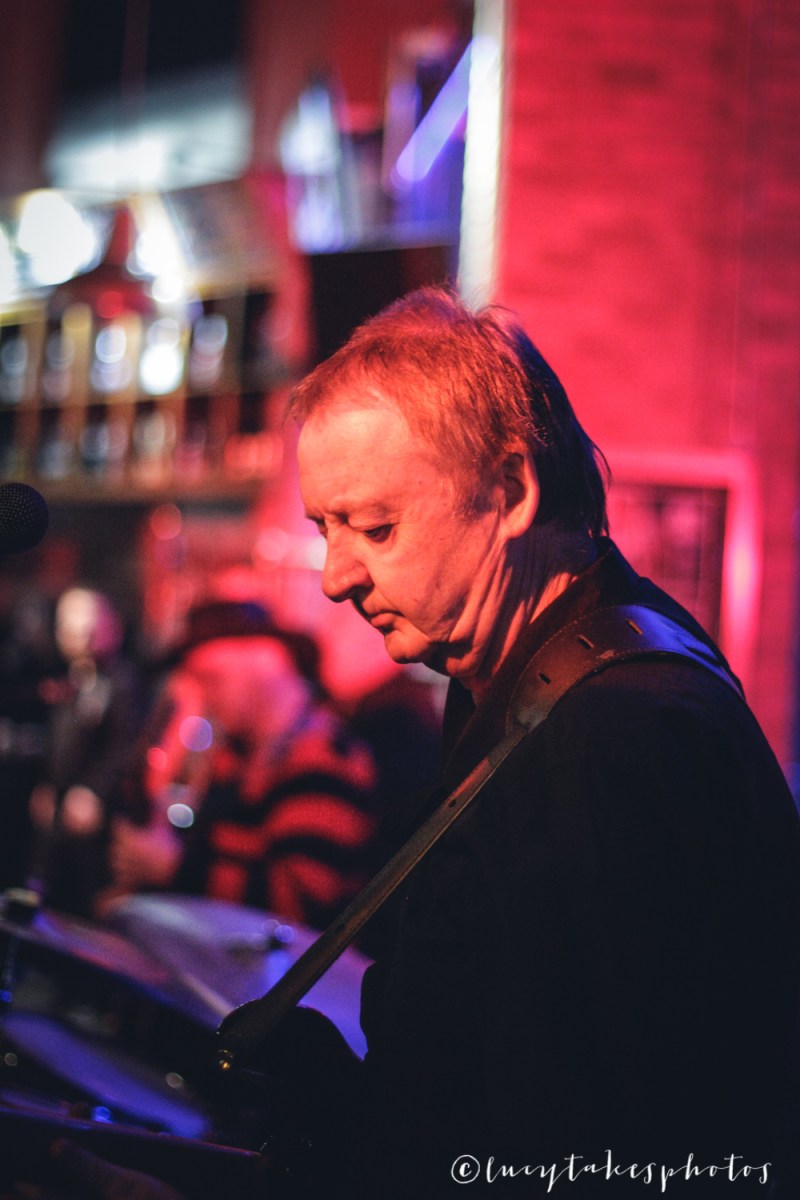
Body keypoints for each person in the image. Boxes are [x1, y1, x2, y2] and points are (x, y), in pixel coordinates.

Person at [36, 287, 800, 1198]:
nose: (334, 578)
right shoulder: (548, 670)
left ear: (510, 491)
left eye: (376, 527)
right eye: (326, 528)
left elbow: (591, 1145)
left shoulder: (611, 735)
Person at [102, 600, 378, 932]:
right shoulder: (237, 756)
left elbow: (304, 901)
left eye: (211, 679)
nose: (204, 698)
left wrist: (176, 869)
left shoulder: (323, 756)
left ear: (265, 665)